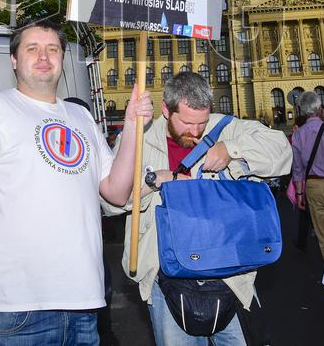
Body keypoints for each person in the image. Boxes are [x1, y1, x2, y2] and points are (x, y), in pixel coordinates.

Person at [0, 19, 151, 346]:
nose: (44, 56)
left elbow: (116, 190)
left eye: (53, 49)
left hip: (84, 305)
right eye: (32, 48)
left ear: (62, 59)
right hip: (14, 310)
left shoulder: (80, 116)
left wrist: (130, 128)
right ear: (14, 60)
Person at [107, 71, 292, 346]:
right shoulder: (138, 140)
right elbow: (111, 203)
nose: (195, 132)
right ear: (166, 111)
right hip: (167, 277)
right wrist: (156, 180)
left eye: (202, 122)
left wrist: (233, 149)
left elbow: (282, 152)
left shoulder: (227, 128)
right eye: (187, 123)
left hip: (230, 274)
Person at [290, 91, 324, 261]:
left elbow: (297, 168)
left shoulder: (298, 135)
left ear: (303, 111)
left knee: (323, 235)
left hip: (313, 186)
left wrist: (299, 194)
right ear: (319, 108)